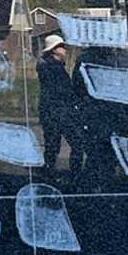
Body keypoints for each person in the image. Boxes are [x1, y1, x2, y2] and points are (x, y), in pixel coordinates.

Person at [36, 34, 80, 176]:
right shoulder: (51, 67)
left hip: (53, 110)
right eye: (61, 47)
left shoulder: (51, 65)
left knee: (53, 143)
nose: (65, 50)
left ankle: (49, 170)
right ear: (54, 49)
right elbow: (62, 89)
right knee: (73, 142)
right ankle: (73, 173)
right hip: (57, 111)